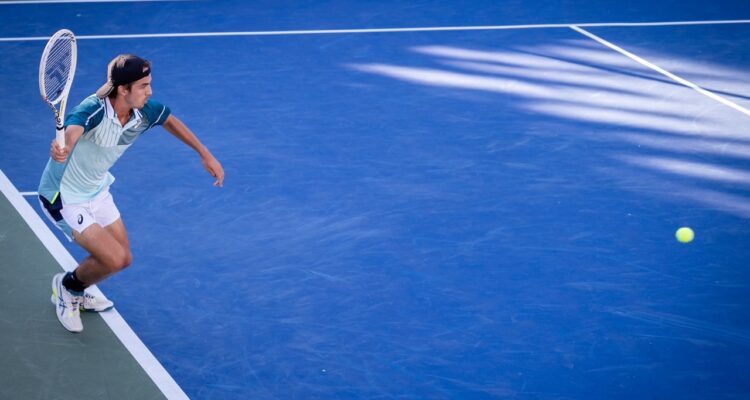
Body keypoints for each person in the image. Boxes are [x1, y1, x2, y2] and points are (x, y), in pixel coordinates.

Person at [38, 54, 225, 332]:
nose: (150, 91)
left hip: (98, 191)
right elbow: (73, 129)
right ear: (123, 89)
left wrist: (204, 154)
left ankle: (76, 284)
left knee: (122, 259)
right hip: (65, 197)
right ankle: (67, 289)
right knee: (112, 258)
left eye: (149, 84)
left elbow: (169, 120)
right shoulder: (94, 109)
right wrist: (62, 147)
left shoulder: (144, 111)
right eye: (143, 86)